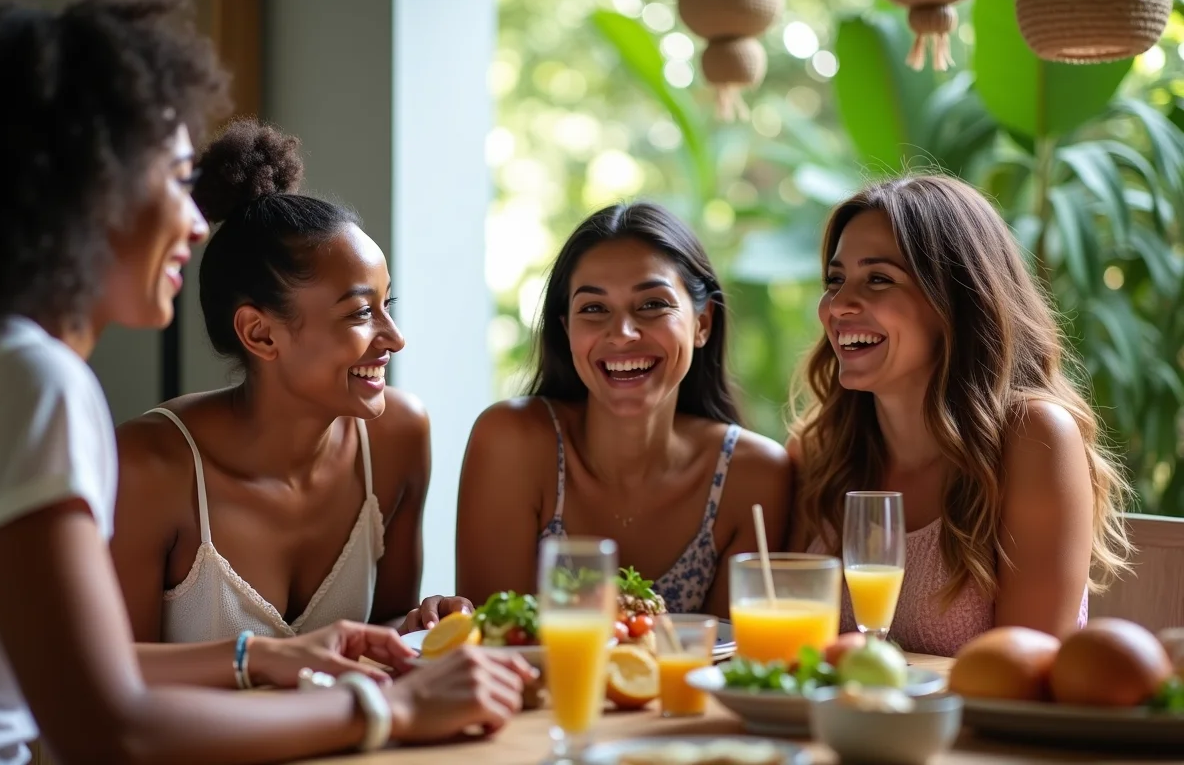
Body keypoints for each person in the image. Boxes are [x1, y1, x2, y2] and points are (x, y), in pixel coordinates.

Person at [0, 1, 531, 764]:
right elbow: (109, 728)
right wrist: (388, 712)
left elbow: (77, 673)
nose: (198, 224)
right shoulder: (29, 384)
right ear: (81, 191)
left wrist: (262, 655)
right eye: (173, 178)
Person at [110, 118, 469, 689]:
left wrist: (419, 624)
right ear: (260, 334)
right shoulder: (150, 467)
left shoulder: (399, 436)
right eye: (359, 313)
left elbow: (380, 637)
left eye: (387, 303)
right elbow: (110, 691)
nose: (394, 337)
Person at [789, 174, 1132, 657]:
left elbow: (1021, 676)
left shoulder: (1034, 440)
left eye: (879, 278)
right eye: (835, 280)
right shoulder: (820, 452)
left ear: (955, 299)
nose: (838, 305)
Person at [456, 202, 792, 617]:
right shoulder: (511, 442)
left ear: (702, 323)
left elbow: (728, 662)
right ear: (567, 330)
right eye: (594, 309)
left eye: (652, 305)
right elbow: (490, 643)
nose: (622, 334)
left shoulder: (753, 476)